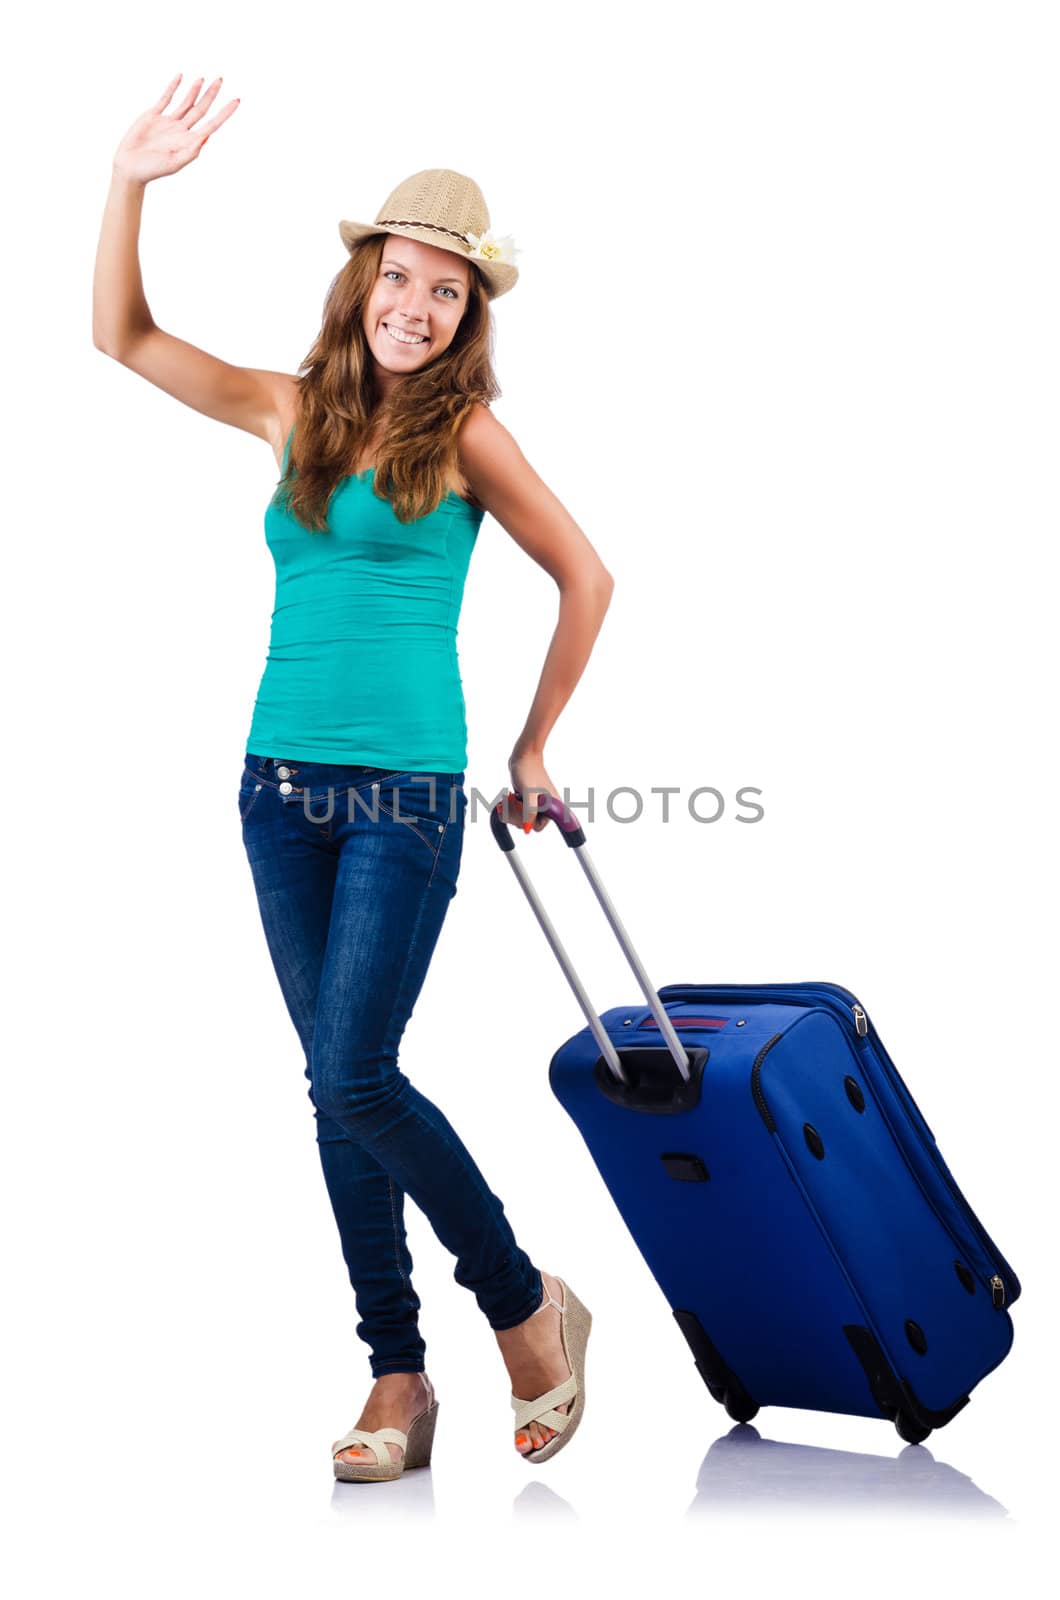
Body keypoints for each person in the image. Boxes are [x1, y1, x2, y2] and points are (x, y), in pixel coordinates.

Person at [92, 74, 615, 1483]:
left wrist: (531, 747)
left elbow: (586, 574)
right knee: (335, 1088)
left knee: (355, 1073)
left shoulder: (469, 438)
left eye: (446, 291)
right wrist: (130, 176)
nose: (417, 305)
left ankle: (520, 1309)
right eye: (401, 276)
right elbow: (121, 335)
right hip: (276, 790)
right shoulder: (287, 411)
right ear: (365, 282)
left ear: (467, 313)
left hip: (401, 796)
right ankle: (398, 1377)